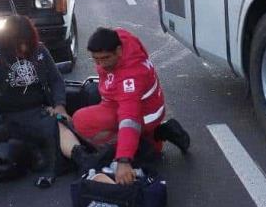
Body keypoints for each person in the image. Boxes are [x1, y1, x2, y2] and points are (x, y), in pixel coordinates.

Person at [59, 27, 190, 185]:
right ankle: (155, 135)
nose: (101, 64)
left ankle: (144, 146)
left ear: (119, 51)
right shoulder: (120, 38)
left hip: (142, 115)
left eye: (106, 58)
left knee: (81, 121)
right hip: (142, 106)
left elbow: (130, 118)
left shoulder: (130, 78)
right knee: (93, 98)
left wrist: (123, 160)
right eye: (96, 59)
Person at [0, 15, 69, 188]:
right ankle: (31, 150)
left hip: (37, 110)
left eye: (26, 43)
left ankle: (46, 153)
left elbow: (56, 80)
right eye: (18, 44)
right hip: (6, 113)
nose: (24, 48)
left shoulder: (39, 50)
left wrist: (59, 105)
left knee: (59, 126)